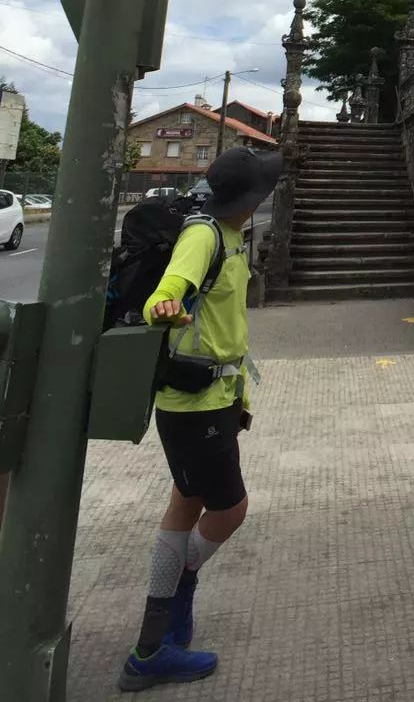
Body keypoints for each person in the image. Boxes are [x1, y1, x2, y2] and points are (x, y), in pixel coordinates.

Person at [118, 146, 282, 693]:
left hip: (218, 398)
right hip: (194, 407)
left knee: (185, 504)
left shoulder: (232, 235)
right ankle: (161, 627)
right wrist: (164, 306)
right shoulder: (203, 236)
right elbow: (163, 298)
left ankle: (160, 634)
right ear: (250, 198)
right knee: (230, 510)